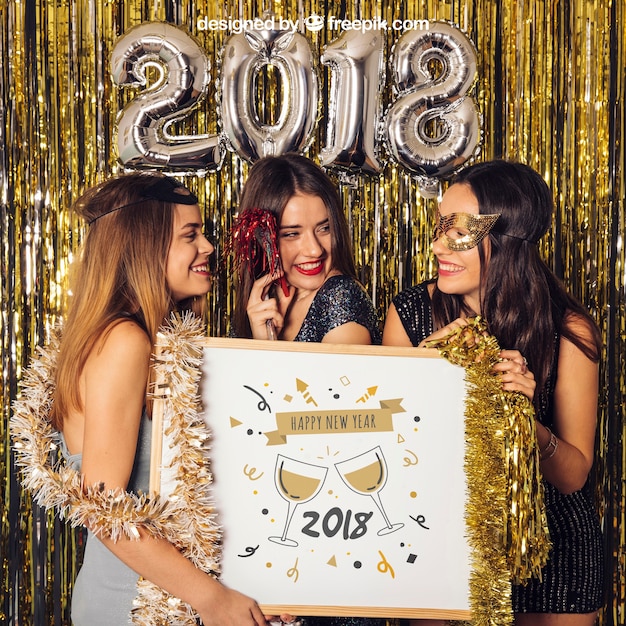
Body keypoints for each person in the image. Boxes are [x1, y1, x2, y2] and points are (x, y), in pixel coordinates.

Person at [45, 173, 294, 625]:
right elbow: (103, 509)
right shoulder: (124, 340)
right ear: (145, 245)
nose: (209, 248)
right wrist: (213, 600)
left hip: (162, 602)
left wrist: (261, 348)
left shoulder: (147, 340)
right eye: (190, 235)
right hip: (132, 608)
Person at [383, 160, 604, 626]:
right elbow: (395, 457)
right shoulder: (410, 317)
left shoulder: (568, 330)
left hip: (552, 552)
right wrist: (431, 378)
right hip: (444, 544)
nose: (437, 244)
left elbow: (573, 476)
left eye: (457, 231)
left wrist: (525, 421)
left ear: (504, 243)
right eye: (439, 226)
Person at [230, 153, 383, 626]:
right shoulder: (272, 305)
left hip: (330, 549)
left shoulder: (340, 299)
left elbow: (333, 436)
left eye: (323, 228)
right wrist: (264, 342)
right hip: (289, 542)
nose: (313, 248)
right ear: (265, 240)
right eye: (292, 234)